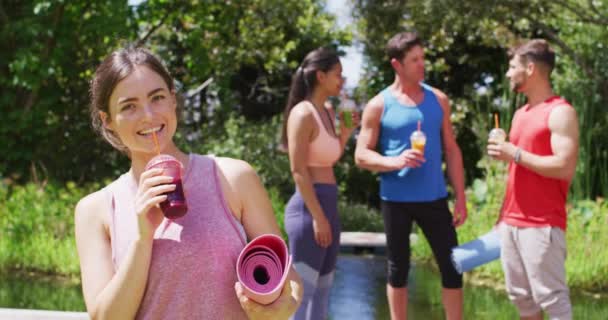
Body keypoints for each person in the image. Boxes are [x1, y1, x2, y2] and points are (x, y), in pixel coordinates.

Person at [74, 46, 302, 320]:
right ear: (107, 120)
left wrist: (280, 309)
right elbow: (105, 318)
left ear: (173, 99)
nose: (148, 115)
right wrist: (142, 239)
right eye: (129, 106)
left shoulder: (234, 178)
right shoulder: (95, 210)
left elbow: (288, 277)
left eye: (157, 97)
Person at [354, 32, 466, 320]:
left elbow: (452, 151)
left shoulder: (438, 100)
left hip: (435, 198)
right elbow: (361, 155)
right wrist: (395, 161)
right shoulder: (379, 105)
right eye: (414, 60)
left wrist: (461, 198)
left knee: (453, 266)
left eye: (422, 58)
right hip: (396, 200)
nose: (421, 64)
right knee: (397, 269)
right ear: (397, 64)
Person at [488, 39, 579, 320]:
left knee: (552, 301)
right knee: (522, 300)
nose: (507, 74)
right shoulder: (519, 114)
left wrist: (514, 153)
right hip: (512, 222)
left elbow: (564, 167)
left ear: (530, 69)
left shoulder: (560, 112)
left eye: (512, 67)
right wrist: (503, 216)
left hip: (542, 224)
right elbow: (518, 171)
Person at [281, 47, 360, 320]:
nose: (343, 81)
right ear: (320, 75)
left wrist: (347, 132)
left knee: (323, 294)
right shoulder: (302, 114)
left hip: (328, 206)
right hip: (308, 210)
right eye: (338, 74)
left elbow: (329, 158)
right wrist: (318, 218)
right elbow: (298, 169)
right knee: (301, 296)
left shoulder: (326, 111)